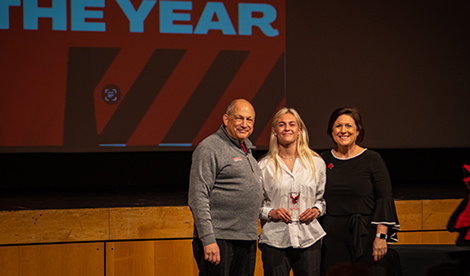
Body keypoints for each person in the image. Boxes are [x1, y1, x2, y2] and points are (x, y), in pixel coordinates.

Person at [320, 106, 400, 276]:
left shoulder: (372, 159)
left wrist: (381, 237)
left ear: (358, 131)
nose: (343, 131)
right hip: (331, 238)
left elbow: (384, 198)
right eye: (338, 126)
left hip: (367, 238)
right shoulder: (322, 160)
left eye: (349, 126)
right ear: (331, 131)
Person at [188, 99, 263, 276]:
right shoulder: (210, 148)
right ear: (226, 119)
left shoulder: (247, 150)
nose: (244, 124)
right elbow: (198, 196)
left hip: (246, 239)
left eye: (249, 120)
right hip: (219, 240)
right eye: (239, 118)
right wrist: (208, 240)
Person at [258, 107, 326, 276]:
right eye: (281, 125)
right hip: (275, 239)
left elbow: (321, 199)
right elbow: (255, 205)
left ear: (299, 130)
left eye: (291, 124)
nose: (287, 128)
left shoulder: (316, 163)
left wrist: (317, 210)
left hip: (309, 237)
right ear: (274, 131)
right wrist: (271, 213)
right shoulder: (264, 166)